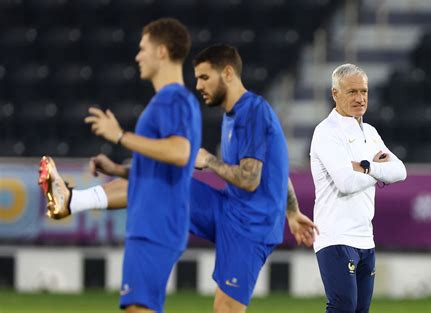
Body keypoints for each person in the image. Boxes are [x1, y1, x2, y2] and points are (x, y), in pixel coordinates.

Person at [39, 44, 315, 313]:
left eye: (205, 77)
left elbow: (251, 179)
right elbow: (275, 168)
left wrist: (208, 161)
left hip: (252, 227)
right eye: (196, 79)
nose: (198, 86)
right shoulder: (233, 116)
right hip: (227, 209)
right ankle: (73, 200)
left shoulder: (253, 112)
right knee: (158, 177)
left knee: (225, 310)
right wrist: (292, 212)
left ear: (228, 73)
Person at [39, 18, 201, 313]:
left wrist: (120, 136)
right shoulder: (171, 100)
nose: (138, 56)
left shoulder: (171, 99)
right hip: (155, 223)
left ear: (162, 51)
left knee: (138, 309)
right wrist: (117, 169)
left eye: (143, 49)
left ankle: (72, 201)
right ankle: (72, 201)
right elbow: (166, 167)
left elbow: (180, 153)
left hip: (156, 224)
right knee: (138, 308)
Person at [309, 63, 407, 313]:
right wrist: (378, 170)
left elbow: (400, 172)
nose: (360, 98)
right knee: (343, 308)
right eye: (352, 92)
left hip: (365, 236)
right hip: (335, 235)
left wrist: (366, 167)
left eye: (363, 91)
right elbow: (346, 183)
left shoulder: (370, 133)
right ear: (335, 94)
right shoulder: (326, 132)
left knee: (360, 310)